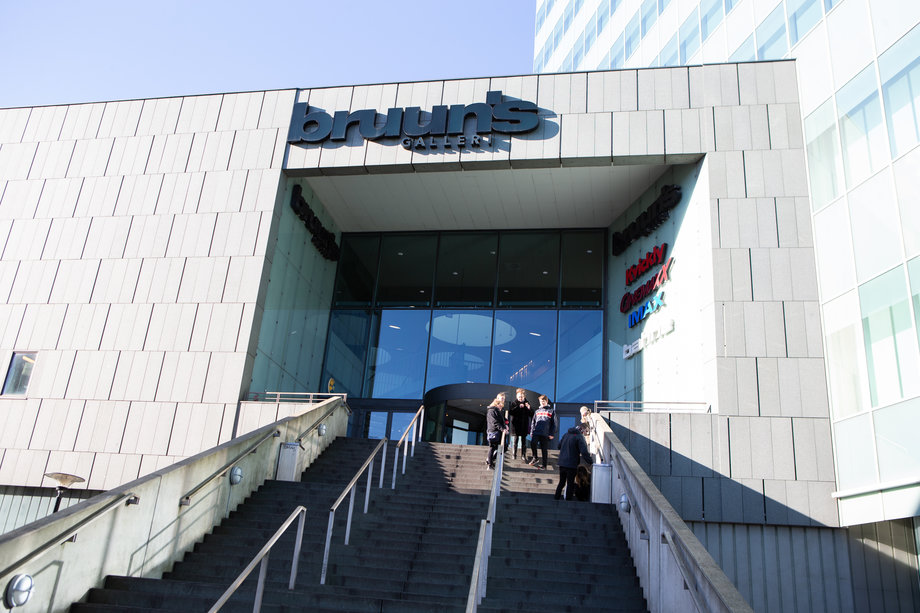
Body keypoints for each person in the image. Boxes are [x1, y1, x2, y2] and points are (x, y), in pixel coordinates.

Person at [555, 424, 593, 501]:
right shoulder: (579, 437)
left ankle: (556, 498)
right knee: (570, 483)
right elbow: (584, 451)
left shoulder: (566, 434)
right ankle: (568, 501)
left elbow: (559, 446)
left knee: (561, 482)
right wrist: (590, 461)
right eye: (586, 431)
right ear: (582, 430)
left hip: (562, 463)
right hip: (571, 464)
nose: (586, 433)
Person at [528, 394, 557, 469]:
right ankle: (535, 457)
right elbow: (533, 422)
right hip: (536, 432)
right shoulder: (537, 411)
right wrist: (531, 432)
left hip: (545, 433)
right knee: (533, 443)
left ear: (546, 401)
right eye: (541, 401)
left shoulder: (551, 411)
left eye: (543, 401)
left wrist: (552, 433)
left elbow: (554, 423)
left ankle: (544, 465)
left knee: (544, 449)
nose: (542, 403)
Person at [507, 388, 532, 462]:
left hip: (524, 424)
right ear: (517, 396)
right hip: (516, 425)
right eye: (519, 396)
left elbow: (531, 414)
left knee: (524, 441)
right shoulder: (514, 403)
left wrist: (529, 408)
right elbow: (511, 412)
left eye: (521, 396)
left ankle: (523, 455)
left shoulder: (527, 403)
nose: (520, 398)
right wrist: (518, 407)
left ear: (524, 396)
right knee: (516, 440)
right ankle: (514, 454)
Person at [485, 393, 507, 470]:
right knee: (493, 447)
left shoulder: (498, 411)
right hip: (493, 431)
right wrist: (502, 428)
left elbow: (501, 420)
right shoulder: (492, 411)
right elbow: (494, 422)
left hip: (498, 431)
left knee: (503, 447)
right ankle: (489, 463)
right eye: (500, 405)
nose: (501, 407)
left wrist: (505, 424)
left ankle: (490, 460)